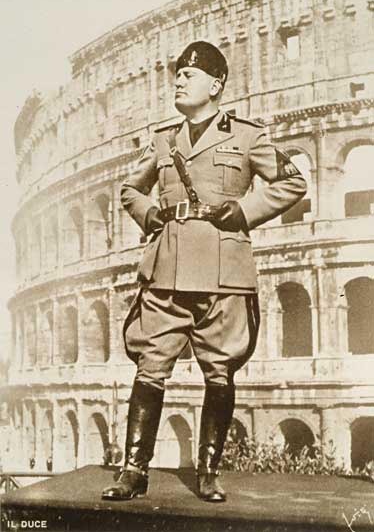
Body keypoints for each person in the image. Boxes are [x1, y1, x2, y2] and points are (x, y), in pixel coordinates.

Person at [102, 41, 307, 503]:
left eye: (189, 75)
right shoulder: (163, 140)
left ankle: (208, 473)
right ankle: (134, 471)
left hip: (223, 274)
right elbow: (130, 191)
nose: (178, 80)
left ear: (216, 85)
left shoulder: (249, 136)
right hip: (166, 273)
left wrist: (244, 211)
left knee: (220, 372)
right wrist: (150, 214)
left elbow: (294, 181)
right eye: (176, 74)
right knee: (149, 371)